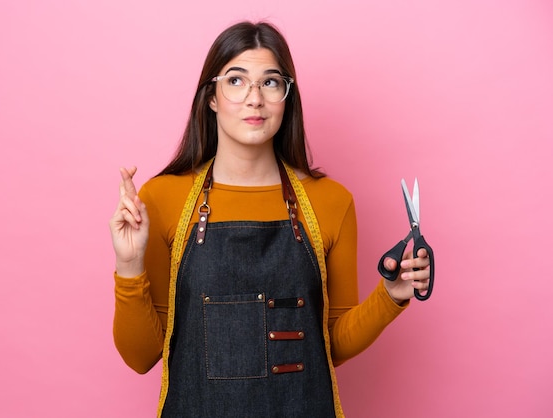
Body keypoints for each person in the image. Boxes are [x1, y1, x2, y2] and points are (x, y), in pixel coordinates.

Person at [109, 21, 431, 418]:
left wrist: (391, 294)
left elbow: (330, 345)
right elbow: (141, 357)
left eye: (270, 83)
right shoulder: (161, 199)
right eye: (236, 80)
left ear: (287, 97)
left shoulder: (331, 202)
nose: (254, 99)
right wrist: (128, 265)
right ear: (211, 97)